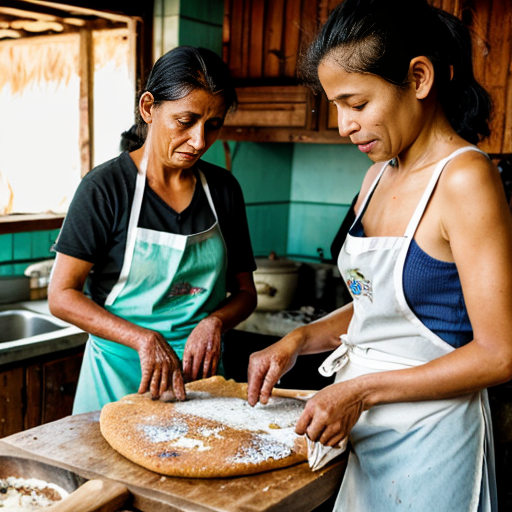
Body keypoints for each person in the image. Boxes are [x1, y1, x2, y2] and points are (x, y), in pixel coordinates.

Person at [247, 1, 512, 510]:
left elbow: (498, 354)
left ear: (418, 77)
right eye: (335, 106)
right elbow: (378, 303)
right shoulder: (375, 178)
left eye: (357, 103)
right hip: (365, 442)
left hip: (434, 443)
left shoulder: (465, 179)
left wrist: (361, 392)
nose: (344, 125)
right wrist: (298, 340)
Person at [49, 46, 257, 413]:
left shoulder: (224, 190)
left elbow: (245, 293)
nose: (199, 141)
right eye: (185, 121)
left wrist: (215, 322)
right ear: (149, 108)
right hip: (118, 378)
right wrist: (143, 339)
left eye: (213, 125)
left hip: (200, 383)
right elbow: (62, 295)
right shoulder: (105, 189)